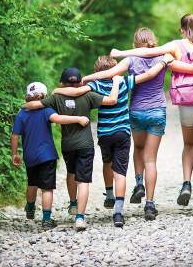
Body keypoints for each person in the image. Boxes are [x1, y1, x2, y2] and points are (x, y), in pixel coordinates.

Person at [53, 54, 193, 223]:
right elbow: (148, 75)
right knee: (120, 171)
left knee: (107, 163)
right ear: (115, 68)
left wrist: (58, 90)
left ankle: (109, 194)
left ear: (97, 71)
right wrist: (162, 61)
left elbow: (77, 91)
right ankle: (118, 212)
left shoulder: (95, 85)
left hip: (105, 133)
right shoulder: (123, 81)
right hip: (122, 132)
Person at [82, 29, 193, 220]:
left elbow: (109, 73)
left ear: (135, 44)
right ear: (154, 41)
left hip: (136, 111)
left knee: (138, 149)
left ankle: (139, 183)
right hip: (157, 111)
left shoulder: (131, 60)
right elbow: (190, 68)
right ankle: (149, 205)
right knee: (151, 159)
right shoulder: (165, 57)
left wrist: (86, 78)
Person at [111, 14, 193, 216]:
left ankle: (187, 183)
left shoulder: (175, 46)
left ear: (182, 30)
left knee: (188, 145)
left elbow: (148, 53)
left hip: (186, 103)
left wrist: (120, 52)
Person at [23, 68, 120, 231]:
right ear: (80, 82)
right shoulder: (89, 95)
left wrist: (24, 104)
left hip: (68, 145)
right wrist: (116, 82)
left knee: (71, 173)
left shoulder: (56, 97)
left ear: (62, 83)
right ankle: (80, 218)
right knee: (83, 181)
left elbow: (33, 105)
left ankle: (73, 203)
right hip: (85, 145)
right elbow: (112, 101)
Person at [11, 81, 90, 230]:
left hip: (30, 156)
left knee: (32, 183)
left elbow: (15, 135)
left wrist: (14, 154)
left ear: (28, 96)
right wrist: (78, 119)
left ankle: (30, 207)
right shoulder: (46, 110)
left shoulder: (22, 113)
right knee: (47, 188)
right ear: (44, 95)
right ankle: (46, 219)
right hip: (47, 156)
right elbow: (59, 119)